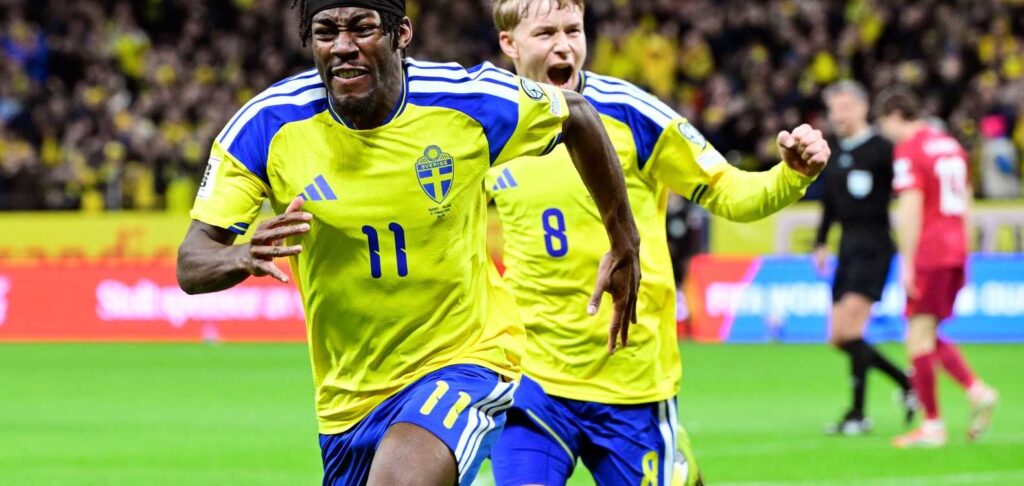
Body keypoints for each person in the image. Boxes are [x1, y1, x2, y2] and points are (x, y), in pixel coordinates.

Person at [175, 0, 644, 484]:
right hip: (348, 400)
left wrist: (624, 242)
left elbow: (577, 115)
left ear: (401, 34)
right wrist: (241, 255)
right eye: (325, 32)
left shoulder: (466, 102)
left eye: (362, 28)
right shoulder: (268, 125)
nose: (342, 46)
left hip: (465, 359)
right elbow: (192, 261)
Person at [484, 1, 830, 484]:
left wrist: (790, 176)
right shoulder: (488, 121)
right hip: (532, 381)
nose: (563, 46)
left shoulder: (631, 112)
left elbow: (727, 190)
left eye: (573, 30)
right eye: (545, 34)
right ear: (509, 43)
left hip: (632, 379)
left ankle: (677, 462)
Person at [875, 86, 999, 448]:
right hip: (955, 249)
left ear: (895, 116)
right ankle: (975, 391)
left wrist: (907, 262)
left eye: (884, 123)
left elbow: (910, 207)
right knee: (926, 332)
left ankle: (933, 425)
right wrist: (967, 250)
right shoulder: (951, 145)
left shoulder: (910, 150)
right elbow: (967, 201)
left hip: (930, 251)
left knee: (917, 336)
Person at [813, 80, 914, 436]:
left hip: (874, 247)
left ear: (862, 108)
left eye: (844, 108)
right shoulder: (834, 150)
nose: (838, 116)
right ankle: (907, 382)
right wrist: (821, 241)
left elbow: (906, 192)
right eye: (833, 110)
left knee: (851, 331)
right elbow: (829, 202)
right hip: (847, 248)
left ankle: (857, 414)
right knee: (837, 337)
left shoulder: (883, 149)